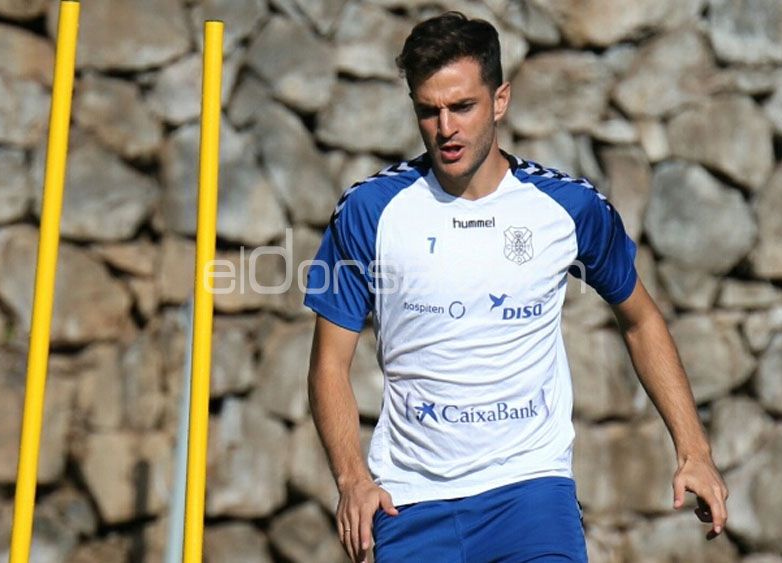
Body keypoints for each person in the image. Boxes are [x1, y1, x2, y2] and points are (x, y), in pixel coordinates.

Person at [303, 11, 728, 563]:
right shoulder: (370, 211)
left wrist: (693, 449)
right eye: (428, 111)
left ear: (500, 100)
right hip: (409, 506)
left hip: (531, 496)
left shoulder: (567, 207)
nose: (446, 128)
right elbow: (329, 363)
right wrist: (352, 479)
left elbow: (641, 319)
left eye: (462, 106)